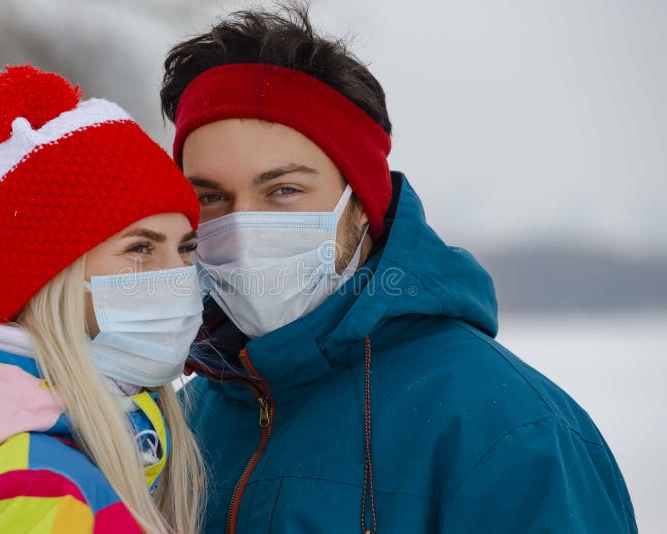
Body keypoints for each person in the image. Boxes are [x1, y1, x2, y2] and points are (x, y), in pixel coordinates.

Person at [160, 6, 637, 533]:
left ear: (361, 203)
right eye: (210, 196)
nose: (243, 228)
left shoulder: (508, 430)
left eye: (285, 190)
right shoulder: (184, 423)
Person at [0, 65, 205, 533]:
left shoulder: (63, 437)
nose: (179, 276)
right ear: (53, 280)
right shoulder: (38, 494)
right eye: (140, 249)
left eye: (187, 247)